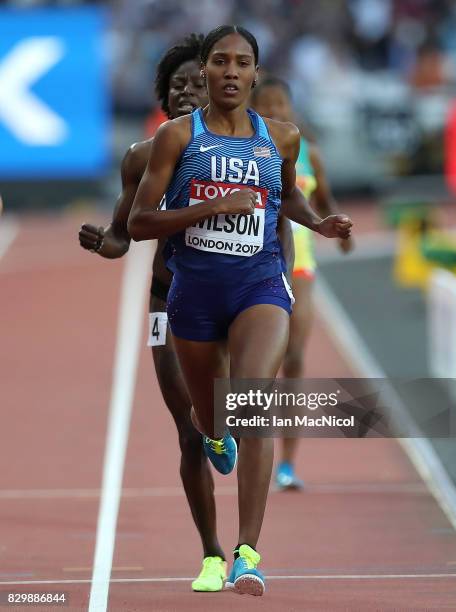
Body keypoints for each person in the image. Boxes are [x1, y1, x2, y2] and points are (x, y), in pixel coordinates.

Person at [128, 25, 352, 596]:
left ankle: (247, 553)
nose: (231, 71)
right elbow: (138, 222)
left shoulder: (282, 138)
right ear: (204, 72)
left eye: (242, 62)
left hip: (260, 288)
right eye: (220, 62)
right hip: (193, 297)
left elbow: (287, 196)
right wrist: (210, 209)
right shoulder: (178, 138)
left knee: (254, 400)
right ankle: (213, 432)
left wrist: (317, 222)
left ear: (256, 73)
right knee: (209, 418)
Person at [79, 34, 229, 593]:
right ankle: (212, 554)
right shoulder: (142, 158)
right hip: (167, 302)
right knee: (188, 432)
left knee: (227, 410)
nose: (188, 90)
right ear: (164, 98)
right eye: (177, 85)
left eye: (197, 80)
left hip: (234, 299)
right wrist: (103, 242)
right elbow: (122, 238)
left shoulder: (247, 148)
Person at [251, 76, 354, 491]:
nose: (276, 112)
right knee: (258, 366)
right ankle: (246, 440)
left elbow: (324, 201)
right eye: (267, 106)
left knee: (293, 357)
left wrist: (343, 230)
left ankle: (288, 463)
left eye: (282, 105)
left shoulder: (308, 153)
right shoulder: (245, 150)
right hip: (255, 263)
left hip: (301, 264)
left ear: (292, 110)